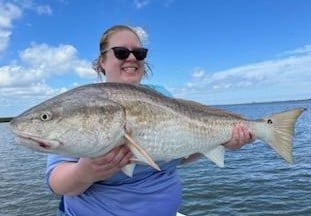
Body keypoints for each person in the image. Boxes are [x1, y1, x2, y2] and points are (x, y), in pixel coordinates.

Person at [46, 25, 254, 216]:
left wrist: (221, 141)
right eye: (121, 52)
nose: (131, 58)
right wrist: (85, 172)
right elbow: (57, 183)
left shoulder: (162, 96)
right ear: (102, 61)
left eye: (139, 53)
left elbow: (180, 156)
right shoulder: (83, 103)